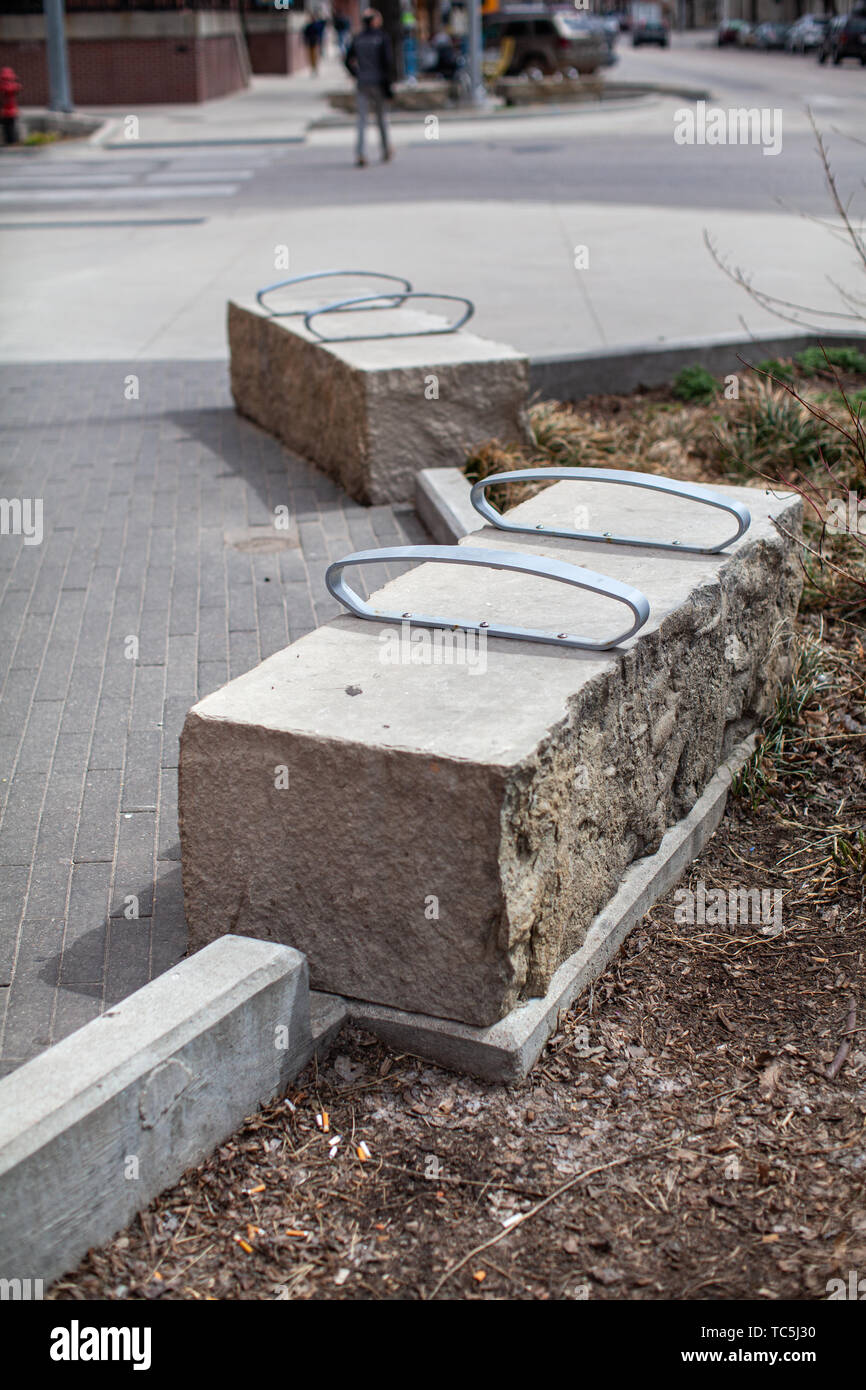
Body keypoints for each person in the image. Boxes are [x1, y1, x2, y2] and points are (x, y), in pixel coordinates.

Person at [345, 9, 394, 168]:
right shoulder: (381, 38)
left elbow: (347, 59)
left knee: (362, 120)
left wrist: (356, 73)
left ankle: (361, 153)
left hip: (362, 82)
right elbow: (387, 63)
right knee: (381, 119)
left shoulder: (358, 38)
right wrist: (388, 87)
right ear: (374, 21)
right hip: (378, 82)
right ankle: (386, 149)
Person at [0, 67, 21, 146]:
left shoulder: (4, 87)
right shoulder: (14, 86)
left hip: (6, 110)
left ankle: (10, 141)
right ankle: (11, 141)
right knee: (10, 127)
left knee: (9, 127)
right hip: (11, 110)